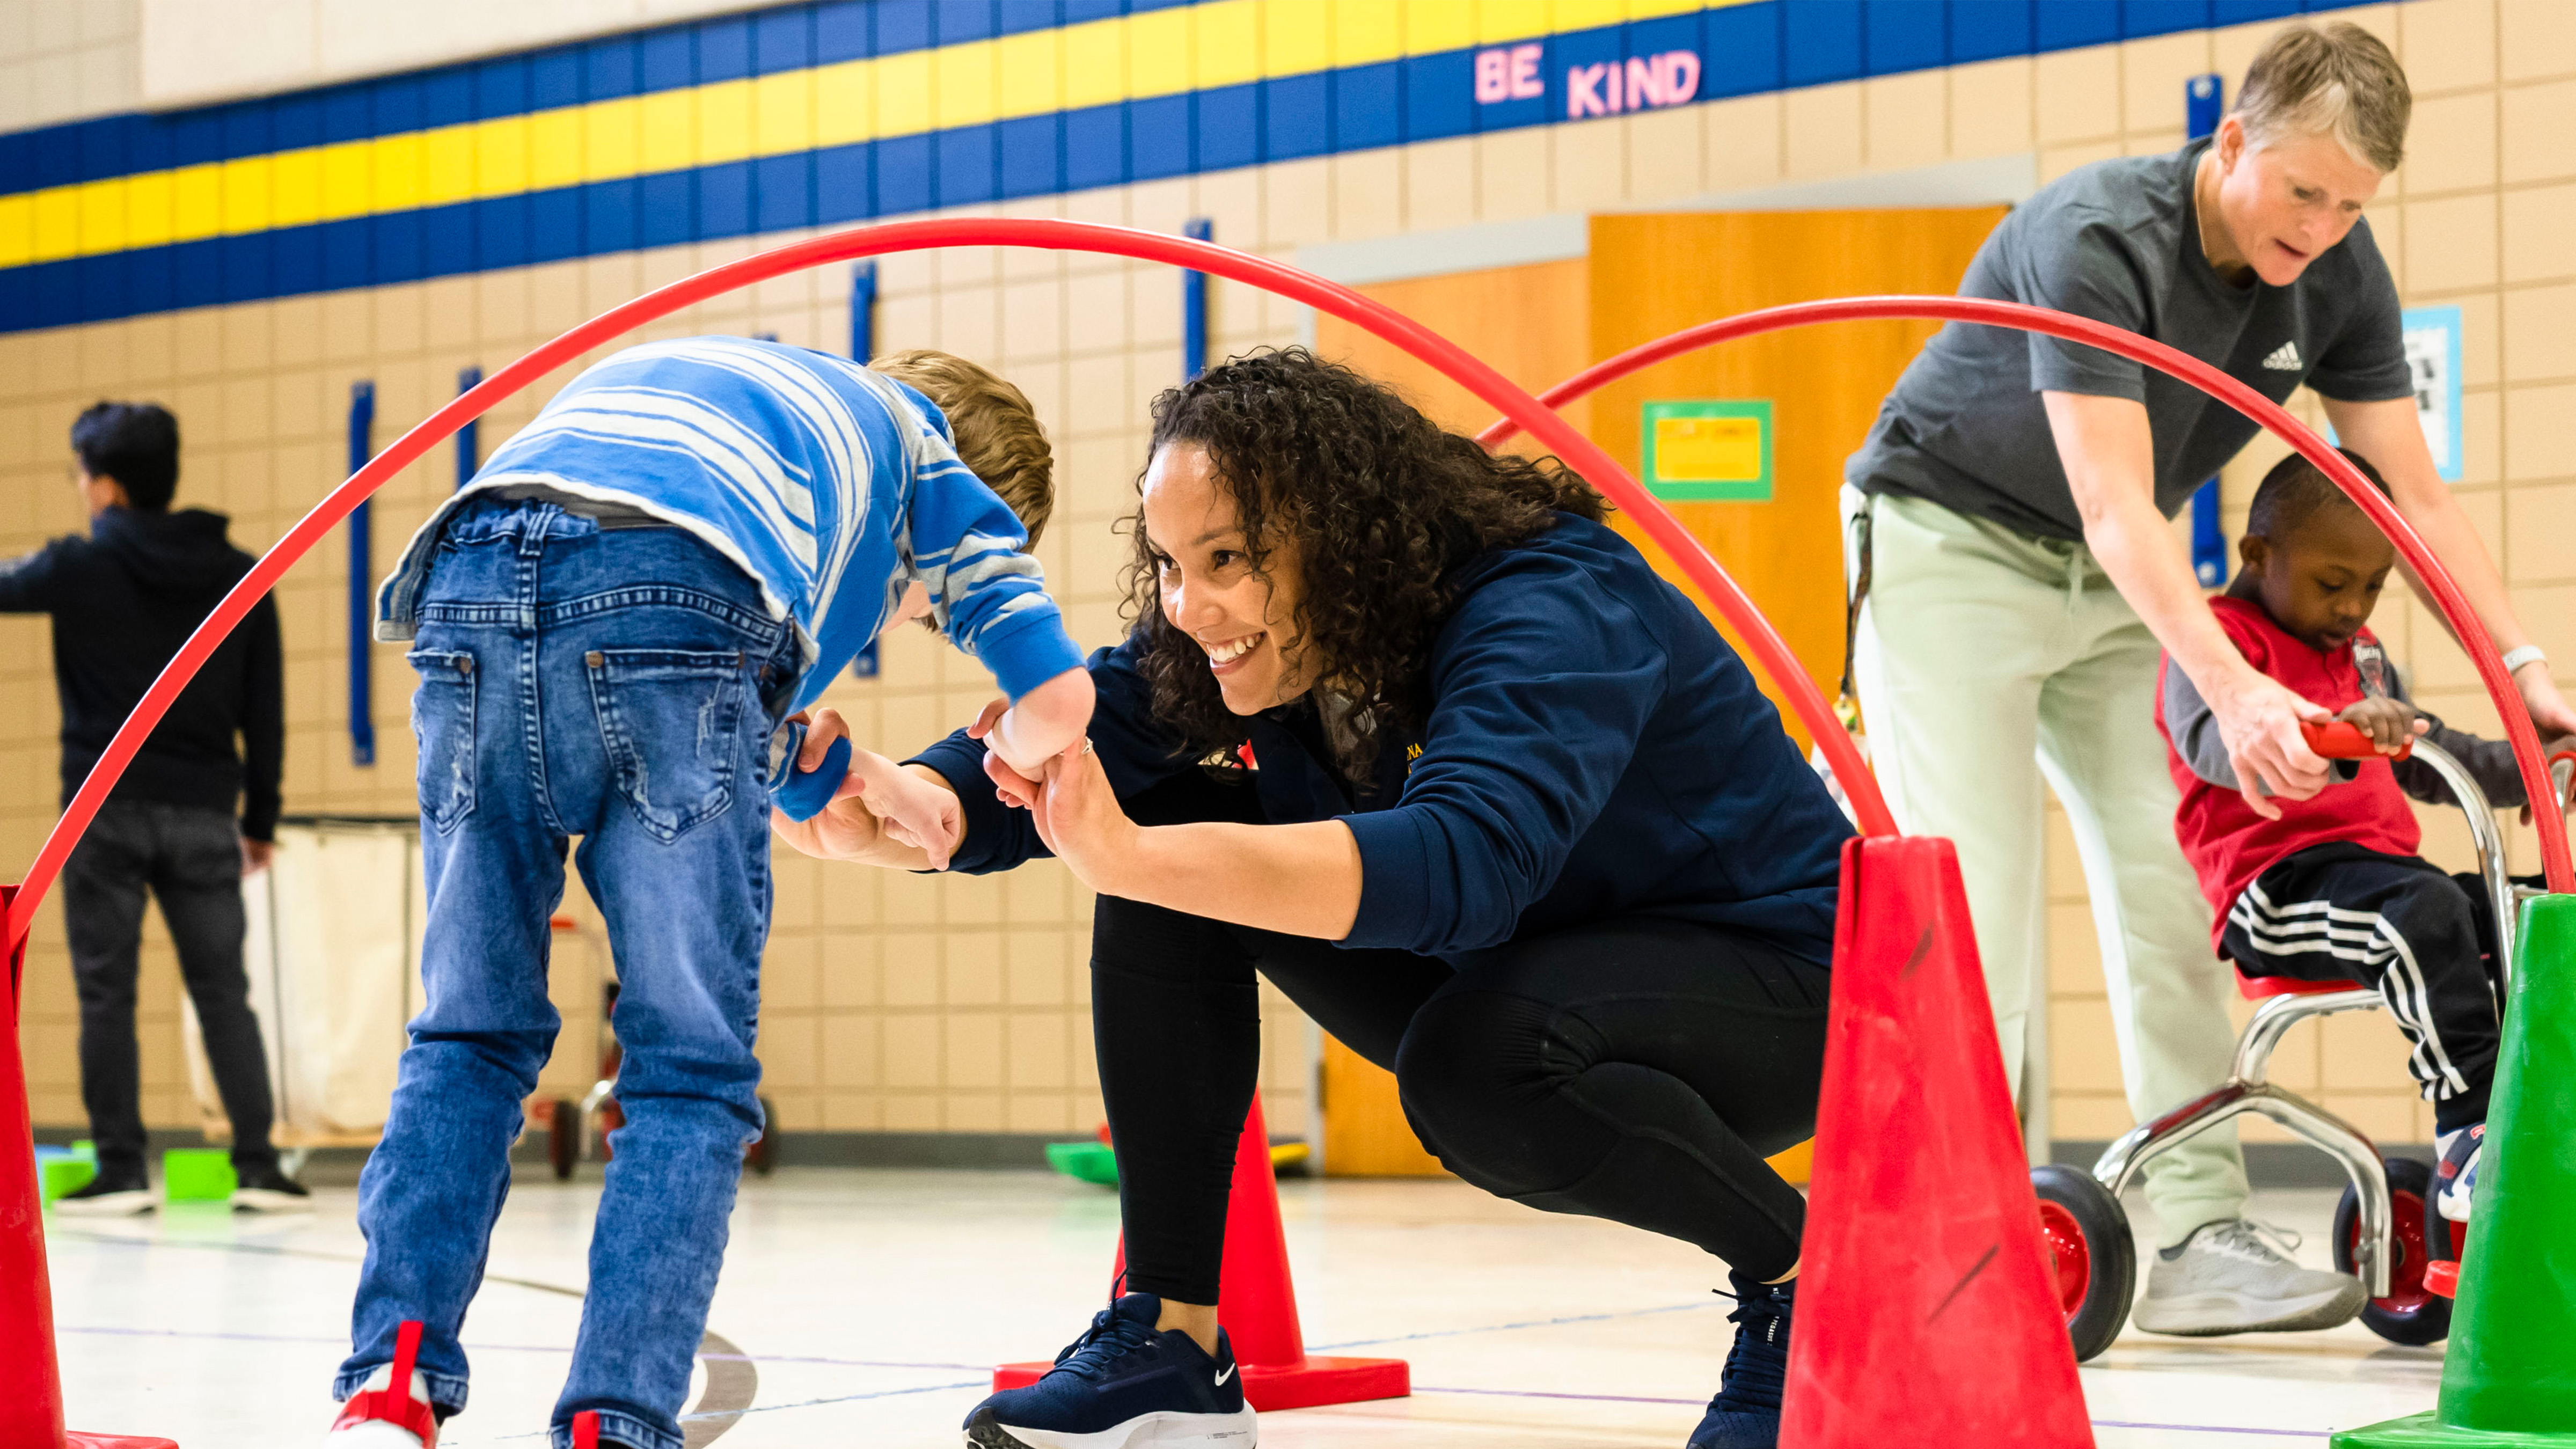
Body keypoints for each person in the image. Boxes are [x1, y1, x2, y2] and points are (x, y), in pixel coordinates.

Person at [777, 349, 1855, 1449]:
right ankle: (1174, 1344)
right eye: (1168, 564)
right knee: (1184, 853)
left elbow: (1467, 864)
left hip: (1786, 980)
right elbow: (1096, 718)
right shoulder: (1249, 640)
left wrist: (1135, 857)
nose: (1190, 607)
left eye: (1228, 559)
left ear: (1338, 532)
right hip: (1544, 967)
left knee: (1473, 1055)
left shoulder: (1557, 600)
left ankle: (1810, 1289)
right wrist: (924, 807)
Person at [1840, 20, 2575, 1334]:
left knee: (2177, 889)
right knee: (1976, 901)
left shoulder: (2340, 272)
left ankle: (2191, 1231)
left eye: (2353, 204)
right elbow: (2119, 503)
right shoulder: (2096, 239)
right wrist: (2236, 689)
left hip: (2110, 588)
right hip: (1952, 544)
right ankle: (1960, 1245)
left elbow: (2410, 493)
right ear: (2230, 140)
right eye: (2303, 191)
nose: (2323, 226)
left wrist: (2520, 669)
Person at [330, 340, 1092, 1449]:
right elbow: (1058, 697)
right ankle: (614, 1418)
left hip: (473, 581)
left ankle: (389, 1388)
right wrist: (1008, 753)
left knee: (469, 1031)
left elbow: (712, 709)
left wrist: (872, 775)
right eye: (921, 605)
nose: (902, 618)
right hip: (680, 598)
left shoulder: (763, 403)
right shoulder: (925, 461)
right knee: (688, 1069)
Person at [2161, 449, 2551, 1232]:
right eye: (2333, 584)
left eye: (2372, 586)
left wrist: (2534, 764)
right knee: (2427, 909)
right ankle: (2470, 1129)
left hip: (2381, 881)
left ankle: (2533, 1112)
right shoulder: (2216, 645)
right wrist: (2334, 738)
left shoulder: (2362, 657)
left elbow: (2438, 757)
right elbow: (2211, 747)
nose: (2352, 608)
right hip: (2275, 891)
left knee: (2519, 914)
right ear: (2257, 556)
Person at [0, 401, 303, 1216]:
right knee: (223, 992)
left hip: (103, 813)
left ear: (104, 489)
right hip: (206, 812)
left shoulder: (77, 565)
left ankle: (124, 1168)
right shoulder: (241, 572)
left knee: (107, 992)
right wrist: (261, 823)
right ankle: (260, 1167)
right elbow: (265, 710)